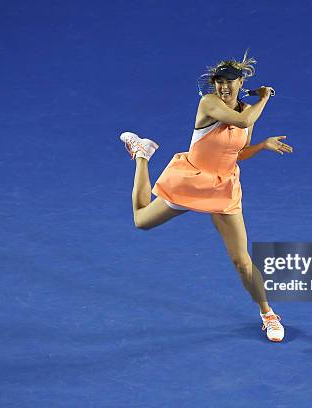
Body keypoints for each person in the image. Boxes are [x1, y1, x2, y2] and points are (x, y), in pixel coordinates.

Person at [119, 52, 293, 342]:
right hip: (192, 180)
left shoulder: (247, 113)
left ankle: (268, 314)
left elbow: (237, 152)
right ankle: (142, 155)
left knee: (241, 260)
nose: (223, 87)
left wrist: (261, 145)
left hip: (224, 187)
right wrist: (264, 98)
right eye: (219, 82)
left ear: (241, 82)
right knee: (141, 220)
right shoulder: (210, 103)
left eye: (229, 82)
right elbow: (240, 121)